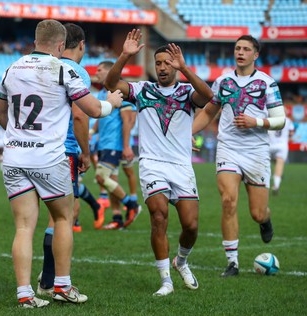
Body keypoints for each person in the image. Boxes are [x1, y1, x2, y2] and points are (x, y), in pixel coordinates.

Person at [0, 19, 123, 308]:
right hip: (49, 158)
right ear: (61, 45)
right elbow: (91, 109)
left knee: (24, 227)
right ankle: (62, 286)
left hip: (15, 157)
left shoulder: (11, 68)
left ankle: (25, 294)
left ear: (35, 40)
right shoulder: (63, 69)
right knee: (64, 217)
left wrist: (18, 136)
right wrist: (112, 101)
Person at [104, 29, 213, 295]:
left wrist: (184, 68)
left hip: (180, 165)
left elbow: (209, 96)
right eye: (159, 63)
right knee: (159, 216)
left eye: (168, 63)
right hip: (152, 164)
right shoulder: (142, 90)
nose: (163, 68)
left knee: (191, 225)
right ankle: (166, 280)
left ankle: (181, 261)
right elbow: (110, 84)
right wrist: (124, 56)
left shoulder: (187, 92)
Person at [192, 35, 286, 277]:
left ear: (255, 55)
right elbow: (208, 112)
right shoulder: (223, 81)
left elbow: (280, 120)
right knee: (228, 201)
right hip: (228, 148)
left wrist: (256, 121)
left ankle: (265, 220)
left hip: (256, 152)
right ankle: (232, 262)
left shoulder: (267, 83)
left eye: (246, 49)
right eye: (237, 48)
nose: (240, 52)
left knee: (257, 212)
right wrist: (186, 133)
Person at [37, 23, 106, 299]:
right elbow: (80, 115)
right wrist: (85, 153)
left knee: (44, 217)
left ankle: (46, 277)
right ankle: (53, 281)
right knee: (64, 216)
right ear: (81, 45)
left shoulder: (46, 68)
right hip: (64, 150)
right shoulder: (76, 71)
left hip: (37, 149)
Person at [94, 60, 141, 230]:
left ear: (109, 72)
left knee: (101, 178)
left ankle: (131, 204)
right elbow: (100, 117)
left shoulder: (119, 92)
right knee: (111, 180)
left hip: (114, 144)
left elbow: (128, 120)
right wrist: (92, 133)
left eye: (100, 70)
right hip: (103, 144)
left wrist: (127, 146)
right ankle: (117, 218)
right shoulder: (101, 94)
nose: (96, 73)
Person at [268, 117, 295, 195]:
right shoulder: (288, 120)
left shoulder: (270, 118)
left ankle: (265, 183)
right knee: (279, 164)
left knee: (266, 165)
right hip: (282, 146)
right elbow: (291, 133)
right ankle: (276, 185)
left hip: (269, 144)